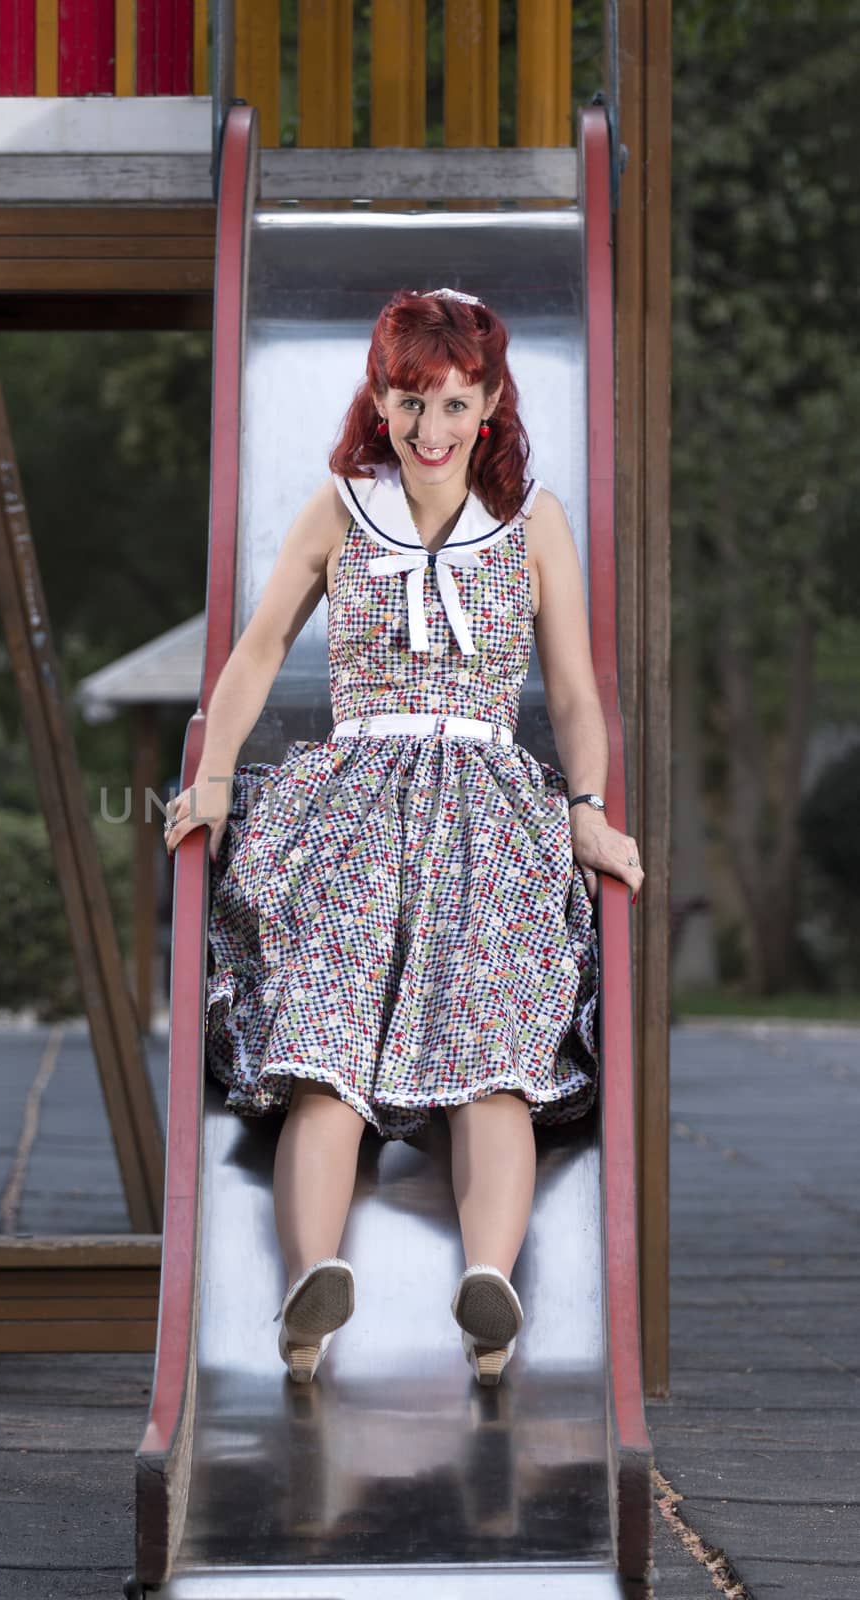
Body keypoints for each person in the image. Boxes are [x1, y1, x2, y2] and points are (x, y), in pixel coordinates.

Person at [163, 287, 644, 1387]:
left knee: (491, 1056)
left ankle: (489, 1291)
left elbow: (571, 691)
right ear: (378, 399)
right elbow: (252, 652)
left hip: (488, 810)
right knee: (326, 1054)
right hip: (351, 803)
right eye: (409, 402)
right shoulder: (341, 507)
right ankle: (307, 1296)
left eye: (454, 404)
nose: (430, 431)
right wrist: (215, 777)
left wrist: (587, 808)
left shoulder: (534, 523)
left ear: (489, 405)